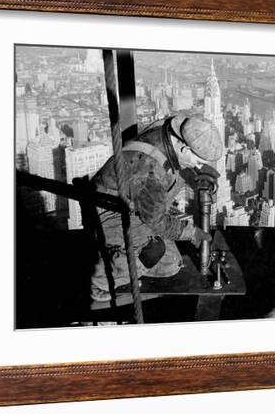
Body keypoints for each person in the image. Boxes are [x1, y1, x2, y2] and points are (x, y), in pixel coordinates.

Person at [89, 114, 223, 302]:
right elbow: (156, 220)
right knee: (153, 254)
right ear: (184, 149)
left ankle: (127, 252)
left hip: (134, 200)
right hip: (110, 213)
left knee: (172, 264)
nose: (198, 167)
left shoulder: (168, 132)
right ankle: (101, 281)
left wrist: (199, 176)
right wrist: (192, 233)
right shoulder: (150, 170)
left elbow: (173, 170)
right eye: (198, 162)